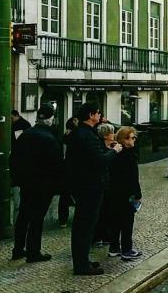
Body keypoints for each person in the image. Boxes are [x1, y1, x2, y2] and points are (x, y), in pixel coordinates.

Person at [67, 103, 122, 276]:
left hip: (82, 185)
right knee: (85, 226)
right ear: (91, 115)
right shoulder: (87, 136)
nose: (100, 115)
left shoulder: (79, 133)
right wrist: (114, 151)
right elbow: (99, 161)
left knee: (83, 226)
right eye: (98, 113)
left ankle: (83, 261)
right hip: (90, 186)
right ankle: (82, 265)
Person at [11, 104, 64, 263]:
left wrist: (18, 179)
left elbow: (14, 159)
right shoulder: (50, 139)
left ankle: (18, 249)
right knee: (37, 218)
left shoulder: (25, 135)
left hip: (27, 183)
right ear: (51, 119)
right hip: (43, 184)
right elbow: (57, 164)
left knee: (23, 216)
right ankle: (34, 252)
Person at [107, 127, 143, 261]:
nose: (133, 140)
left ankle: (114, 247)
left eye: (134, 138)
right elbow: (133, 177)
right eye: (130, 138)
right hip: (126, 193)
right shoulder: (128, 155)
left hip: (114, 191)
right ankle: (126, 249)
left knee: (115, 221)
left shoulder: (115, 153)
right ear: (123, 139)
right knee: (127, 221)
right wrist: (137, 193)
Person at [93, 124, 117, 247]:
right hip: (102, 183)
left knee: (107, 210)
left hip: (109, 183)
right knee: (101, 211)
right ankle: (97, 237)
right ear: (107, 135)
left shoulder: (110, 146)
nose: (114, 135)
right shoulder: (101, 147)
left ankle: (107, 235)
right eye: (112, 133)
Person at [58, 117, 78, 228]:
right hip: (73, 167)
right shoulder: (75, 136)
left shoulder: (65, 135)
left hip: (65, 167)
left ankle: (63, 220)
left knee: (64, 195)